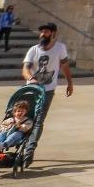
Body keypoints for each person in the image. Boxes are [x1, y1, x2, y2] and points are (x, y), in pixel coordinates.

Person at [22, 22, 74, 153]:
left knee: (39, 119)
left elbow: (65, 66)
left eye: (45, 32)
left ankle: (30, 148)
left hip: (48, 90)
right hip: (31, 89)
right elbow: (25, 68)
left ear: (53, 34)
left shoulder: (60, 48)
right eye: (41, 32)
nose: (42, 34)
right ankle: (21, 141)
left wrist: (70, 83)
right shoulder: (34, 49)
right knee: (26, 117)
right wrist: (30, 78)